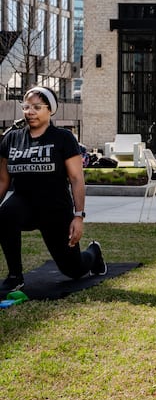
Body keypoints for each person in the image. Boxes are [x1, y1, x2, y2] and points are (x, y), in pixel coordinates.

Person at [0, 87, 106, 293]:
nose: (30, 112)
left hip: (55, 209)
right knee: (4, 215)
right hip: (24, 204)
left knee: (73, 270)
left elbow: (76, 179)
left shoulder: (63, 138)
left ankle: (94, 252)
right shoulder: (12, 138)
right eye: (26, 107)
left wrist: (78, 216)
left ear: (50, 110)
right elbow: (3, 180)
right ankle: (14, 276)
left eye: (37, 107)